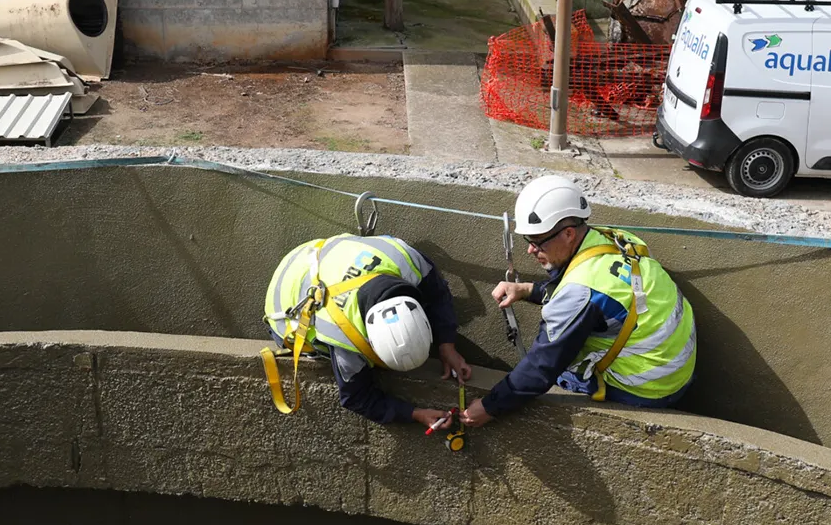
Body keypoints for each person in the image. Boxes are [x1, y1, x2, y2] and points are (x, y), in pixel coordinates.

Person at [462, 175, 697, 428]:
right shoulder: (615, 239)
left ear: (568, 234)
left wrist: (488, 408)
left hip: (650, 387)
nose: (530, 250)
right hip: (677, 368)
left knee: (561, 369)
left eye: (537, 241)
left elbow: (541, 368)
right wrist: (527, 290)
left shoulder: (582, 291)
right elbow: (590, 294)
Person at [265, 233, 471, 428]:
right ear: (370, 339)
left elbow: (438, 294)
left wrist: (447, 345)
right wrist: (413, 413)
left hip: (323, 257)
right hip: (284, 303)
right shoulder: (343, 337)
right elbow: (356, 397)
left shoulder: (405, 258)